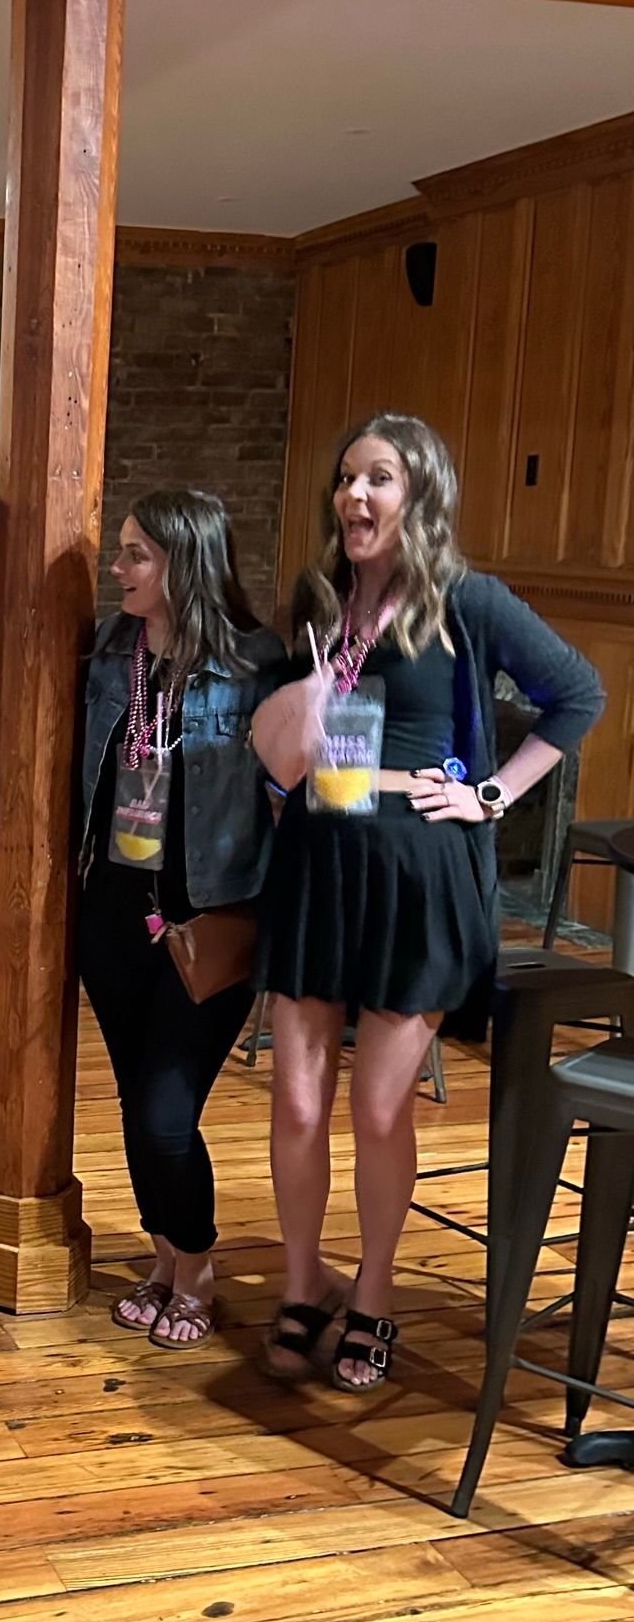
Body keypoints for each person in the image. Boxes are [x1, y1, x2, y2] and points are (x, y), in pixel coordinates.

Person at [255, 413, 603, 1391]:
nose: (354, 495)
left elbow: (579, 694)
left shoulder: (466, 599)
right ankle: (302, 1281)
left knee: (377, 1107)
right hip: (319, 864)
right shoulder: (321, 600)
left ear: (421, 496)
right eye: (345, 478)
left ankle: (374, 1292)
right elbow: (285, 738)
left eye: (378, 478)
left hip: (419, 877)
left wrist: (492, 792)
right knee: (296, 1099)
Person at [78, 490, 287, 1347]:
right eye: (122, 550)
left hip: (210, 919)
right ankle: (163, 1257)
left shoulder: (255, 662)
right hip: (110, 914)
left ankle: (196, 1263)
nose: (118, 567)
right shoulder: (110, 650)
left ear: (185, 562)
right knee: (137, 1102)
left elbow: (290, 786)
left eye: (137, 554)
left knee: (167, 1113)